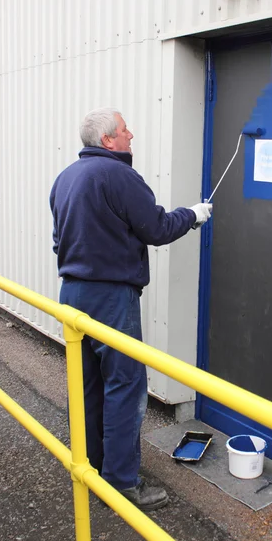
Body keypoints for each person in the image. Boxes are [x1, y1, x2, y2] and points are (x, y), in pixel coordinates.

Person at [49, 107, 212, 511]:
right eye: (125, 131)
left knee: (85, 387)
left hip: (72, 295)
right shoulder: (119, 175)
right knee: (125, 387)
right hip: (111, 300)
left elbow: (59, 241)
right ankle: (121, 483)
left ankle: (88, 466)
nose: (131, 135)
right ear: (108, 140)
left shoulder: (65, 178)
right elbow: (155, 228)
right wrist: (193, 215)